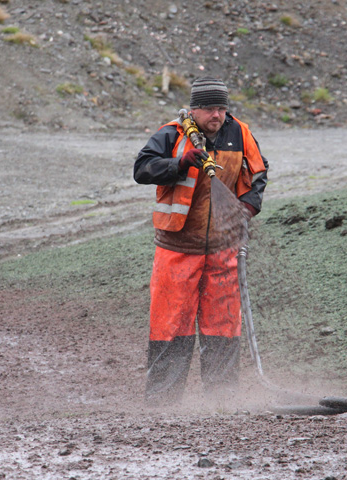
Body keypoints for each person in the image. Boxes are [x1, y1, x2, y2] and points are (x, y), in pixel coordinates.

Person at [133, 77, 268, 401]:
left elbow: (258, 174)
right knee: (170, 326)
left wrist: (248, 207)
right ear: (195, 108)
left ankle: (221, 398)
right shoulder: (172, 134)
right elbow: (142, 169)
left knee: (222, 325)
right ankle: (163, 401)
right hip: (178, 248)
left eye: (221, 108)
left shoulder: (240, 133)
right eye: (209, 108)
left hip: (224, 249)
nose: (217, 115)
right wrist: (178, 164)